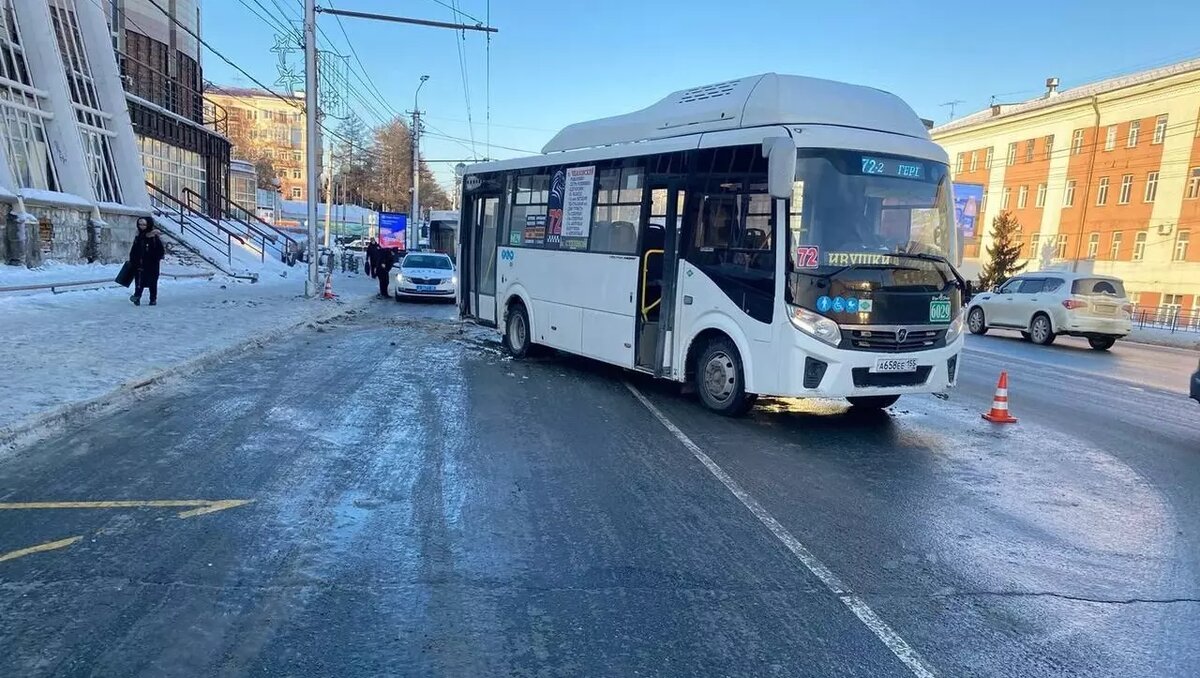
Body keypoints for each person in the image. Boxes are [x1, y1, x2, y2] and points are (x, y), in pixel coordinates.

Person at [128, 217, 165, 306]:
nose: (142, 227)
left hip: (152, 264)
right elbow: (134, 249)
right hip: (139, 263)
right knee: (139, 281)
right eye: (140, 224)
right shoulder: (138, 236)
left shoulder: (154, 237)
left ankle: (153, 298)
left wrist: (155, 258)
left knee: (152, 282)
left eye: (144, 225)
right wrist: (132, 259)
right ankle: (137, 296)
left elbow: (160, 250)